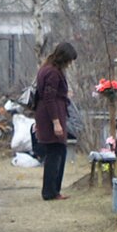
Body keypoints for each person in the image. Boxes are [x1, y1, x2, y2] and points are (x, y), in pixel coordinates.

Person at [33, 42, 77, 200]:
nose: (70, 64)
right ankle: (50, 192)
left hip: (47, 114)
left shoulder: (46, 68)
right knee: (56, 153)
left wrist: (64, 95)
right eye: (69, 60)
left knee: (57, 152)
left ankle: (52, 190)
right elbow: (49, 98)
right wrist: (56, 122)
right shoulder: (53, 72)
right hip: (51, 116)